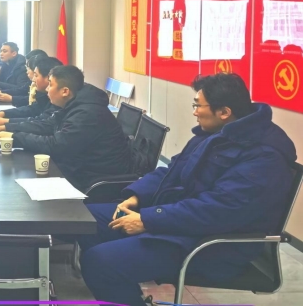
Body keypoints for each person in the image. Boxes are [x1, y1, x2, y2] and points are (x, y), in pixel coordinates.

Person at [79, 73, 298, 306]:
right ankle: (126, 288)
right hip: (180, 223)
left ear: (224, 112)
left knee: (99, 263)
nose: (194, 112)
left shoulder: (264, 156)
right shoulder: (216, 134)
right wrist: (137, 196)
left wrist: (149, 220)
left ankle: (120, 278)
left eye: (198, 106)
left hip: (212, 244)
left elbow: (218, 210)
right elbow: (172, 169)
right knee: (85, 220)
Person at [0, 65, 130, 191]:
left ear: (65, 91)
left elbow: (57, 145)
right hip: (79, 169)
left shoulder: (87, 113)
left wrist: (14, 137)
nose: (46, 89)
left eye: (50, 84)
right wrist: (7, 128)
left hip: (96, 181)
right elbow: (46, 125)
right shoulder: (75, 104)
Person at [0, 57, 63, 125]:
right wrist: (4, 113)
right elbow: (33, 109)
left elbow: (42, 124)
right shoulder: (43, 94)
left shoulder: (58, 101)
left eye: (36, 75)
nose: (33, 79)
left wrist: (7, 123)